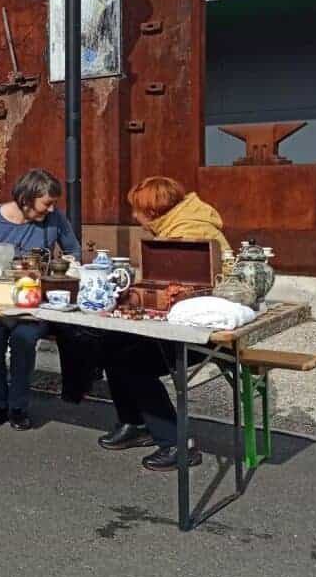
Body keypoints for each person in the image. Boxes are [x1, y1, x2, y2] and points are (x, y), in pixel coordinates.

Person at [93, 176, 230, 471]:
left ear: (152, 212)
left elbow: (187, 289)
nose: (134, 216)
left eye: (137, 210)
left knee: (133, 362)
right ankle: (135, 423)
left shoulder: (189, 232)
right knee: (111, 343)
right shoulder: (176, 225)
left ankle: (178, 443)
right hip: (177, 324)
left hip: (203, 331)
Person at [0, 168, 81, 430]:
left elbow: (73, 251)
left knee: (24, 339)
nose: (51, 210)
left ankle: (18, 406)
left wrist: (65, 269)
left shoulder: (55, 221)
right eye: (47, 203)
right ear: (27, 198)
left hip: (34, 304)